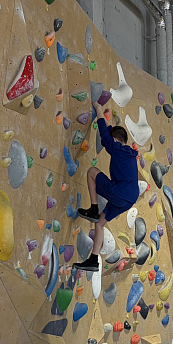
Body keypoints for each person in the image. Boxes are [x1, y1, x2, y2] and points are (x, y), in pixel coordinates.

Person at [72, 102, 140, 272]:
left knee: (91, 171)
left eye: (113, 140)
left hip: (120, 192)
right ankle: (93, 260)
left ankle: (94, 208)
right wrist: (110, 126)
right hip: (128, 199)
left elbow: (105, 135)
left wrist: (98, 110)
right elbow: (112, 133)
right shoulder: (130, 153)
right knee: (100, 224)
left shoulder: (117, 148)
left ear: (116, 141)